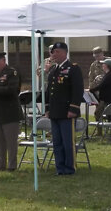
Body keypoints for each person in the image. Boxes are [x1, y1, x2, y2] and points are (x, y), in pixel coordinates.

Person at [45, 42, 84, 176]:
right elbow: (49, 91)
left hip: (67, 111)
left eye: (55, 52)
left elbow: (77, 90)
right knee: (57, 142)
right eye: (52, 52)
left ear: (63, 52)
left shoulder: (73, 68)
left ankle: (69, 167)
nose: (53, 54)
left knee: (68, 142)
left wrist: (73, 109)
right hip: (55, 112)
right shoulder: (53, 69)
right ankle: (59, 167)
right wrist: (47, 108)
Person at [89, 58, 111, 140]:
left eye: (103, 64)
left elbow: (102, 85)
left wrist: (91, 90)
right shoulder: (108, 74)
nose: (102, 66)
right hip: (109, 99)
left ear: (107, 66)